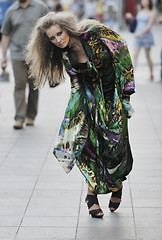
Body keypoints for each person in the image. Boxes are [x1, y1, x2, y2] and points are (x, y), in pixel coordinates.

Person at [26, 11, 135, 218]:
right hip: (89, 103)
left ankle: (117, 185)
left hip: (113, 99)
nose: (58, 40)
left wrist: (126, 94)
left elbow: (121, 51)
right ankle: (91, 196)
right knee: (89, 147)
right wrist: (74, 114)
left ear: (66, 28)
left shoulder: (93, 33)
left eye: (59, 33)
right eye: (52, 38)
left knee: (115, 148)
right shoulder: (65, 55)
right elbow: (77, 85)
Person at [1, 0, 48, 129]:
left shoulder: (40, 7)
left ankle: (31, 116)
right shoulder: (11, 11)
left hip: (35, 55)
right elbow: (6, 33)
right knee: (19, 84)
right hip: (17, 54)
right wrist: (4, 56)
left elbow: (49, 28)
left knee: (34, 86)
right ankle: (19, 118)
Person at [133, 0, 156, 81]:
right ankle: (131, 75)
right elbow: (137, 22)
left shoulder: (152, 12)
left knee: (147, 56)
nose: (144, 2)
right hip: (137, 35)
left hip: (146, 36)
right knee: (135, 55)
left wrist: (140, 33)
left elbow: (149, 26)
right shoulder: (139, 9)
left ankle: (151, 74)